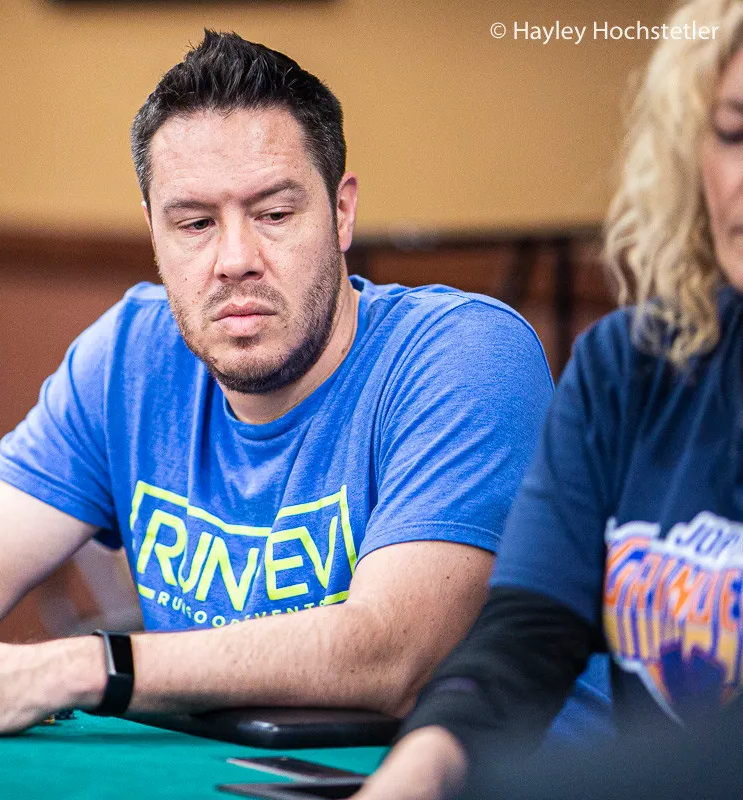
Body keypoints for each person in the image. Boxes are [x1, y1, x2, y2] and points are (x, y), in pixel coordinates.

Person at [0, 31, 555, 738]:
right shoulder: (131, 355)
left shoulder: (464, 355)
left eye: (274, 213)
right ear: (153, 230)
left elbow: (388, 654)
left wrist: (72, 669)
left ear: (342, 211)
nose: (235, 259)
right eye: (194, 224)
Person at [356, 1, 743, 797]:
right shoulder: (627, 367)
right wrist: (418, 770)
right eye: (735, 134)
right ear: (691, 154)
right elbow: (526, 637)